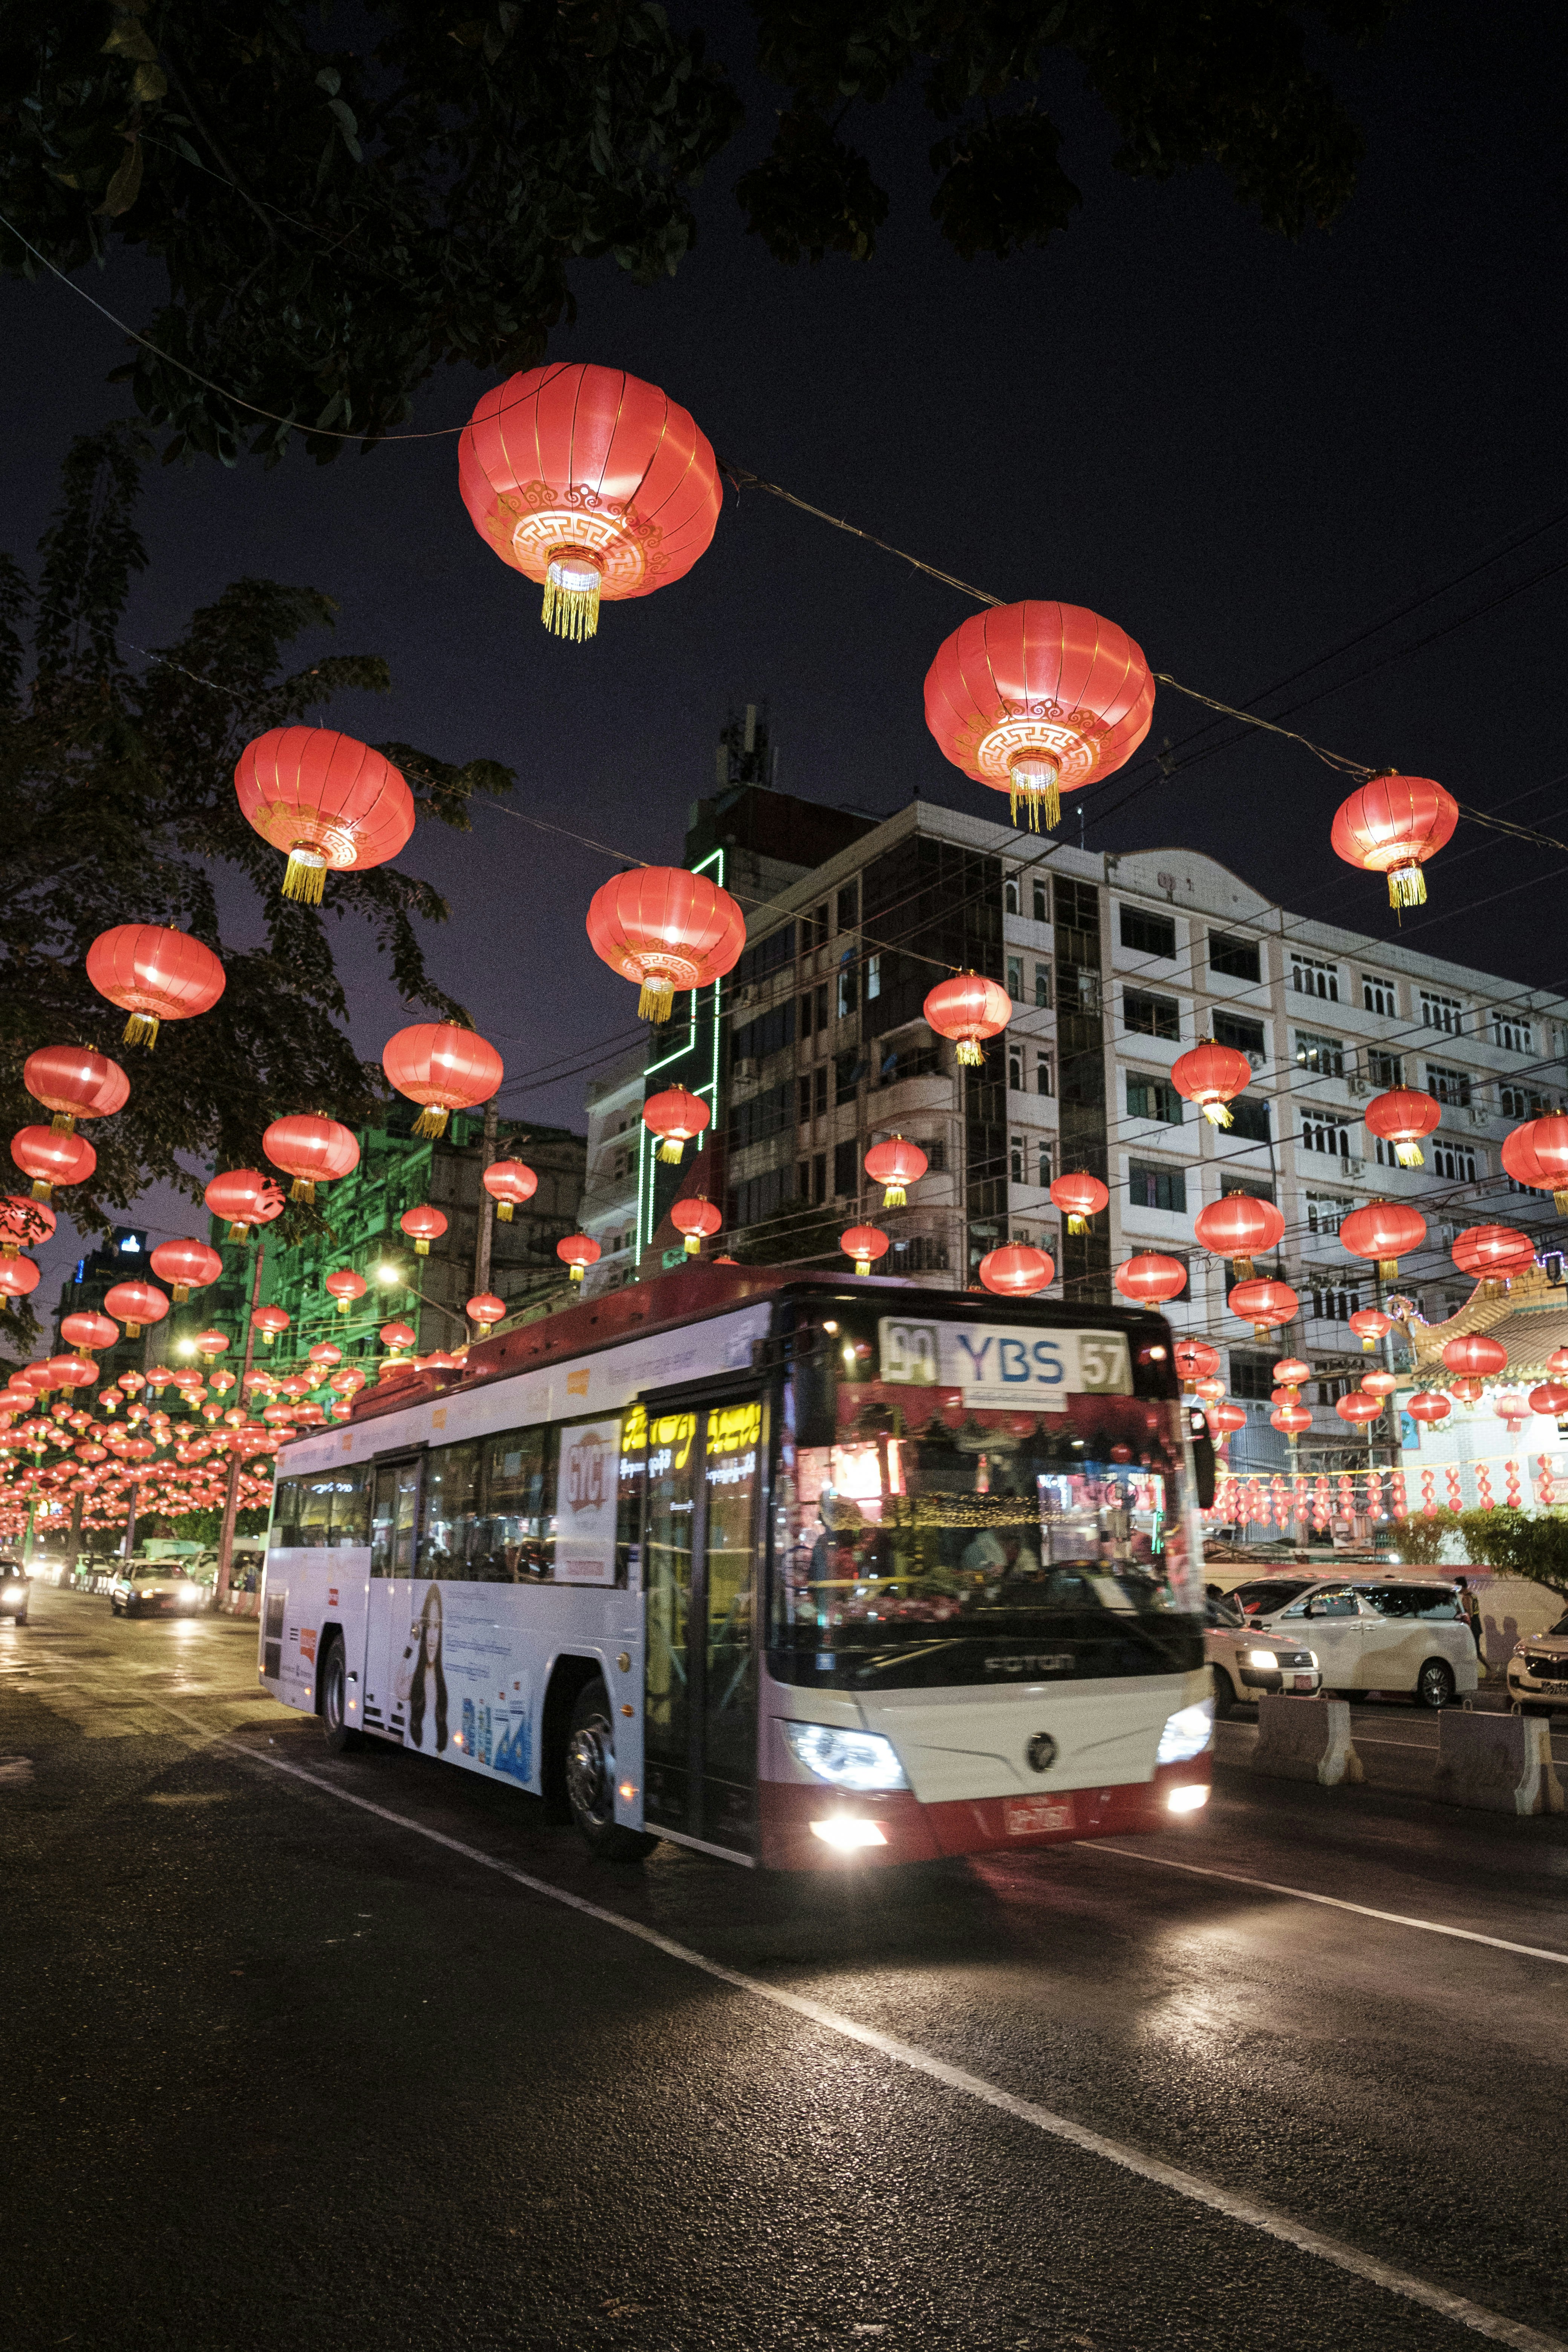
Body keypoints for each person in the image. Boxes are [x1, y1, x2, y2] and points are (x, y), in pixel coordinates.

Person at [396, 1583, 449, 1751]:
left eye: (437, 1627)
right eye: (428, 1627)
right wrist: (412, 1639)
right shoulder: (415, 1681)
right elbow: (399, 1690)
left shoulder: (445, 1685)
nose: (432, 1637)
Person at [1455, 1576, 1485, 1674]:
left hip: (1473, 1626)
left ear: (1461, 1586)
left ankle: (1492, 1672)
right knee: (1474, 1651)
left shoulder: (1467, 1597)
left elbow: (1470, 1614)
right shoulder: (1472, 1595)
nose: (1456, 1588)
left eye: (1457, 1586)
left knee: (1475, 1651)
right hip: (1476, 1624)